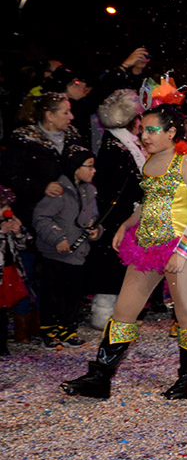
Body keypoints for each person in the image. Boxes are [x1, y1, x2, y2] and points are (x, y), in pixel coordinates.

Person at [61, 103, 187, 400]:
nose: (145, 136)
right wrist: (126, 225)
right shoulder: (149, 163)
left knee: (186, 315)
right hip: (147, 246)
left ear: (171, 132)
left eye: (152, 130)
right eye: (143, 130)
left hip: (183, 247)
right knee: (124, 311)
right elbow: (149, 203)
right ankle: (100, 377)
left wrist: (183, 251)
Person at [85, 89, 146, 330]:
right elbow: (117, 185)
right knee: (111, 261)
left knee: (123, 260)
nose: (141, 124)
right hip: (116, 215)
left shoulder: (126, 144)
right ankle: (103, 312)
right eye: (138, 119)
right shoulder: (115, 147)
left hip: (126, 213)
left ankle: (121, 311)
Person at [33, 146, 101, 349]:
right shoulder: (59, 191)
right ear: (75, 168)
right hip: (56, 254)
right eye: (89, 166)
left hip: (78, 253)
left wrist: (96, 231)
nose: (93, 171)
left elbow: (94, 218)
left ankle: (68, 329)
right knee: (53, 294)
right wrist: (57, 238)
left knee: (73, 294)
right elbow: (41, 217)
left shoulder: (89, 190)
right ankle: (49, 330)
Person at [0, 93, 81, 230]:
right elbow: (9, 177)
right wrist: (41, 187)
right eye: (66, 112)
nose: (71, 117)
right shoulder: (24, 141)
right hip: (36, 213)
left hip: (70, 211)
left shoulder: (73, 137)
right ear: (50, 116)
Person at [0, 185, 31, 356]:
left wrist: (18, 232)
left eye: (9, 206)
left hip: (8, 271)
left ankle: (2, 344)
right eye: (4, 207)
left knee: (3, 311)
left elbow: (24, 245)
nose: (8, 210)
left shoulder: (9, 222)